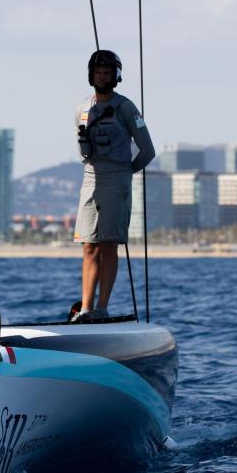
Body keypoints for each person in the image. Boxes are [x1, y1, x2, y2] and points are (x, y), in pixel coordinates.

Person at [72, 49, 155, 323]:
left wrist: (125, 172)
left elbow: (147, 151)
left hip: (116, 178)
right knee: (88, 244)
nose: (102, 77)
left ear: (116, 76)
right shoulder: (83, 108)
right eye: (98, 72)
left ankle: (102, 307)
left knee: (108, 244)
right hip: (90, 178)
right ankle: (86, 307)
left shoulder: (126, 108)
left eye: (107, 73)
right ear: (90, 75)